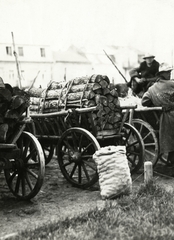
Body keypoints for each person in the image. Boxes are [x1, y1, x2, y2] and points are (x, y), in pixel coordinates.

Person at [141, 62, 174, 165]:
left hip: (164, 117)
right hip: (172, 115)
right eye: (168, 72)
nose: (169, 74)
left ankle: (170, 160)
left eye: (170, 72)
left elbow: (144, 102)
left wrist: (156, 103)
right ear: (162, 74)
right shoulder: (172, 84)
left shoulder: (152, 89)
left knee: (170, 141)